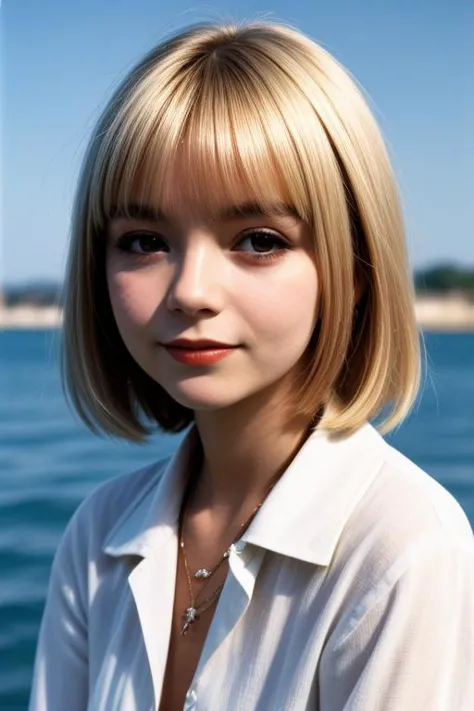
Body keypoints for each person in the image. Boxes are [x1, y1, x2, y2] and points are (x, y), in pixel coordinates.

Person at [29, 20, 474, 711]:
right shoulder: (97, 536)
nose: (190, 291)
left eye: (258, 240)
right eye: (144, 240)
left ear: (352, 268)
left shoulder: (404, 551)